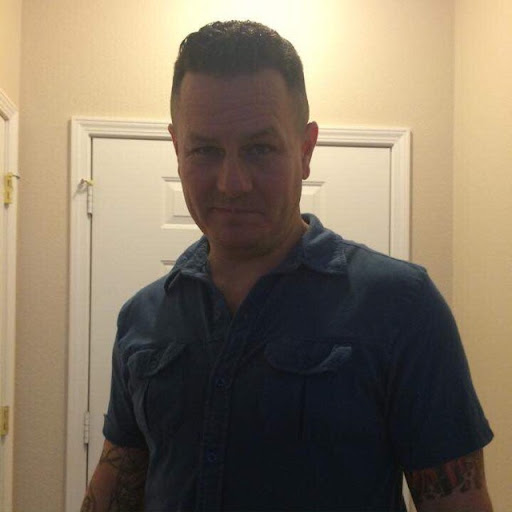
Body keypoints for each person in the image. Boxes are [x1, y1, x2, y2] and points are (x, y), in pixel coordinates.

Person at [81, 20, 494, 512]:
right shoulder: (142, 317)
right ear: (176, 149)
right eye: (205, 150)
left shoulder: (402, 306)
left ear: (305, 149)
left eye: (260, 149)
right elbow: (119, 484)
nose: (232, 183)